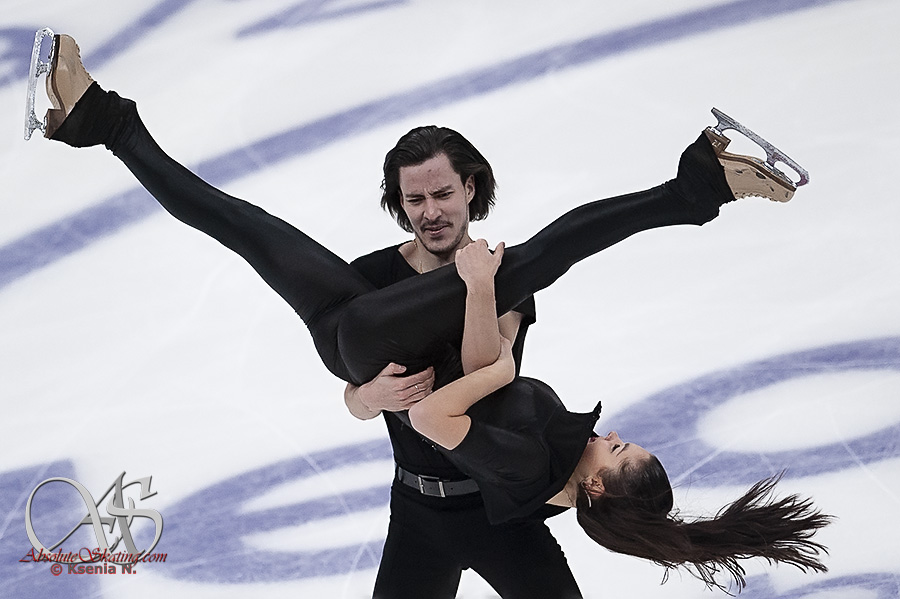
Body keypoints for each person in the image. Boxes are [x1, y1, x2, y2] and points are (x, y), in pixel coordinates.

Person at [36, 33, 829, 593]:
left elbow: (480, 372)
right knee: (245, 226)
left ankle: (697, 189)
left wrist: (482, 292)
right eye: (414, 199)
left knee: (527, 261)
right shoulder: (376, 277)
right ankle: (99, 119)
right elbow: (359, 377)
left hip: (491, 513)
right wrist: (361, 398)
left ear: (470, 190)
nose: (430, 210)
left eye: (443, 193)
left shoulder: (499, 291)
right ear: (400, 203)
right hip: (410, 488)